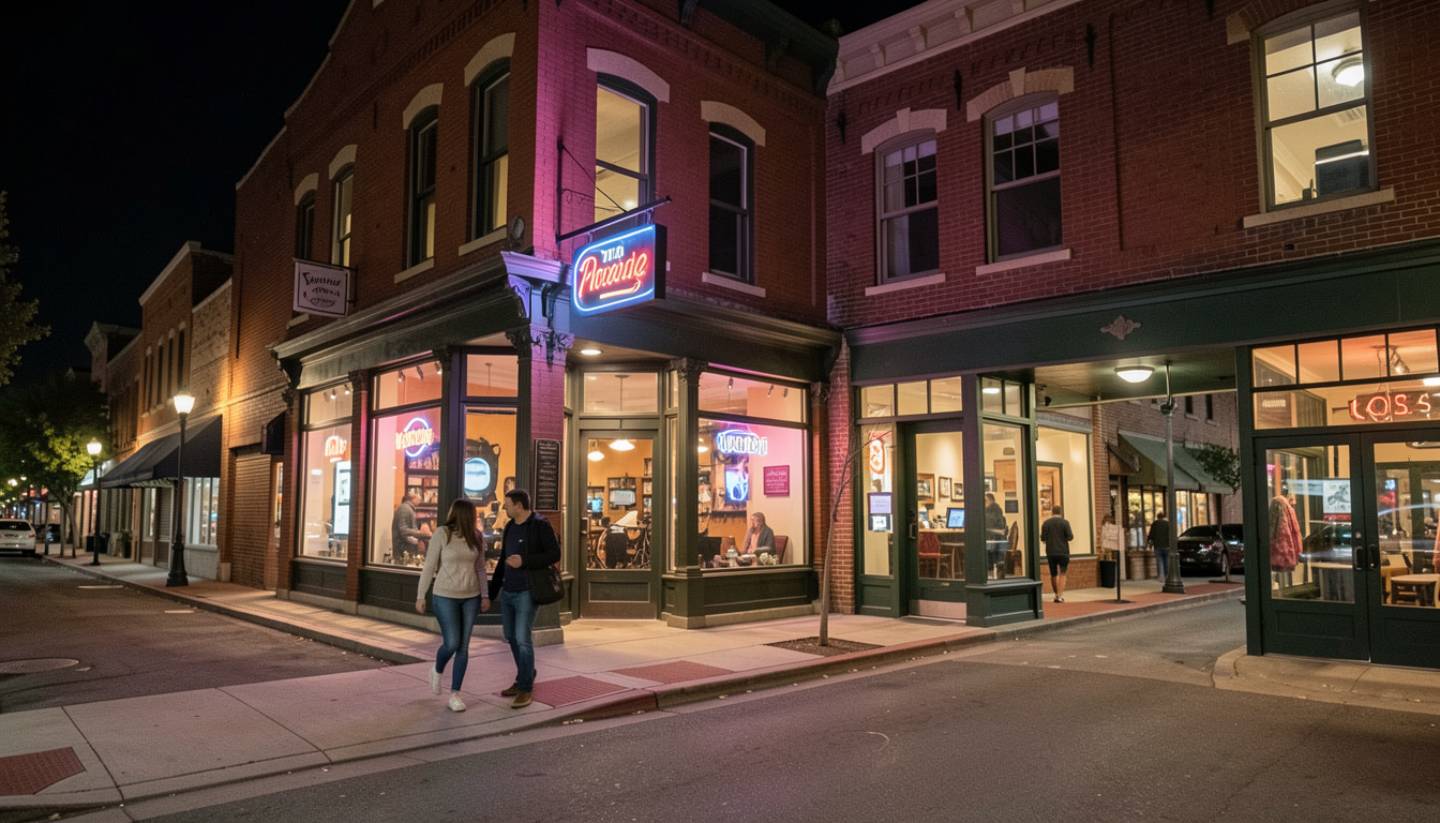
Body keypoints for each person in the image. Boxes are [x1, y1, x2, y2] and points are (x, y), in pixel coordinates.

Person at [489, 488, 562, 709]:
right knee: (510, 635)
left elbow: (554, 554)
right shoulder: (510, 526)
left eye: (508, 504)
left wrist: (524, 561)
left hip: (527, 591)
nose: (505, 507)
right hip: (509, 590)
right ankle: (525, 674)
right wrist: (492, 593)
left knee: (522, 638)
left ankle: (525, 688)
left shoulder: (540, 525)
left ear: (519, 506)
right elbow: (503, 560)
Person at [415, 499, 488, 712]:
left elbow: (481, 569)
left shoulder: (476, 537)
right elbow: (429, 566)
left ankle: (455, 694)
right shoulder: (442, 534)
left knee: (464, 647)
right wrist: (421, 595)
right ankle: (437, 670)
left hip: (471, 597)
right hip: (445, 595)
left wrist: (484, 595)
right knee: (452, 642)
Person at [1041, 504, 1074, 602]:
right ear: (1061, 512)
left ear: (1052, 512)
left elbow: (1042, 538)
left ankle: (1056, 595)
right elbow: (1070, 537)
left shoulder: (1046, 523)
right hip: (1063, 551)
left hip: (1051, 552)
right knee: (1063, 574)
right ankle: (1059, 596)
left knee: (1053, 574)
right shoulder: (1065, 523)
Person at [391, 492, 426, 562]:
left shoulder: (408, 508)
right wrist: (420, 533)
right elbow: (403, 530)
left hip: (406, 548)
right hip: (403, 549)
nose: (420, 500)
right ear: (413, 498)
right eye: (419, 498)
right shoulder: (405, 508)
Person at [984, 493, 1007, 575]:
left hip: (992, 542)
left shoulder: (990, 512)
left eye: (985, 501)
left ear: (990, 501)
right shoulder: (998, 511)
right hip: (997, 543)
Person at [1148, 509, 1173, 579]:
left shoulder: (1154, 524)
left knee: (1159, 562)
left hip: (1158, 545)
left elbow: (1151, 534)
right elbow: (1170, 534)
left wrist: (1150, 543)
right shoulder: (1167, 524)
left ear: (1157, 517)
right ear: (1163, 517)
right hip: (1167, 545)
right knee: (1167, 561)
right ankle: (1167, 575)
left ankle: (1161, 576)